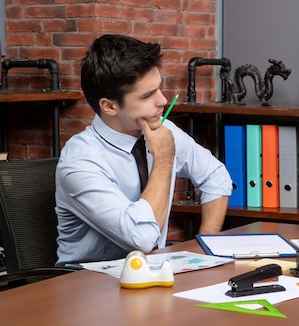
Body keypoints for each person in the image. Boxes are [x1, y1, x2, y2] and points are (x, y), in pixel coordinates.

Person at [55, 34, 232, 265]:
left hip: (152, 275)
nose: (163, 100)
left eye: (159, 88)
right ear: (109, 106)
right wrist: (164, 158)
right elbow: (142, 239)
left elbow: (215, 176)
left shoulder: (163, 129)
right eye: (148, 95)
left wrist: (205, 249)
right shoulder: (80, 161)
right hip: (90, 284)